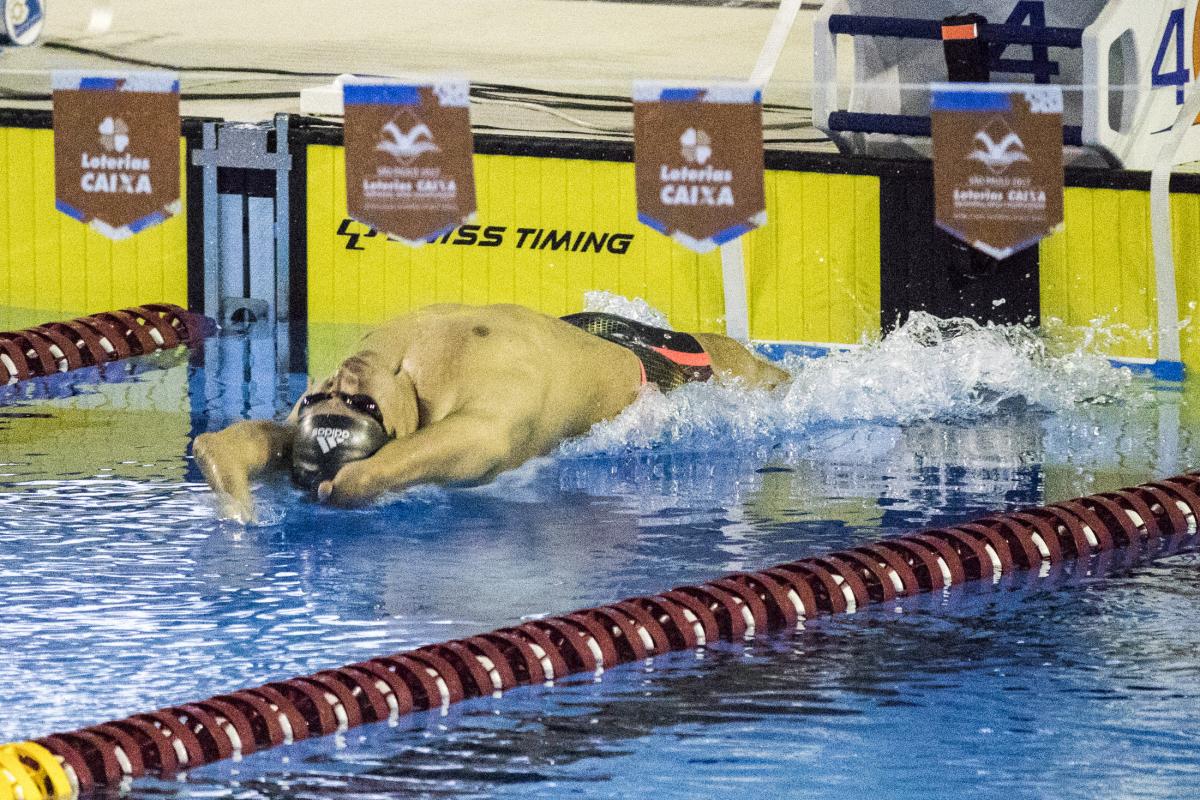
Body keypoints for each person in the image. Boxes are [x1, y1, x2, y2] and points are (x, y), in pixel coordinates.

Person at [194, 303, 789, 522]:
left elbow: (240, 442)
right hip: (653, 376)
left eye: (321, 396)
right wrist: (369, 478)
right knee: (771, 386)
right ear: (399, 431)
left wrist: (232, 480)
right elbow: (481, 445)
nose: (338, 384)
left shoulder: (371, 377)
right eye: (356, 401)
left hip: (572, 331)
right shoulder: (487, 416)